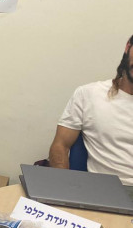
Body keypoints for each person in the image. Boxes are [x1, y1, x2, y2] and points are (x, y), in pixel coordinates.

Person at [48, 35, 133, 185]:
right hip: (105, 193)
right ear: (128, 48)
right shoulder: (89, 94)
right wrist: (62, 190)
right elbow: (60, 145)